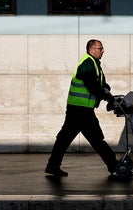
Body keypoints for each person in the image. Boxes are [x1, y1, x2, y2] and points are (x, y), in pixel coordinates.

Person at [46, 39, 119, 177]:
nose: (103, 51)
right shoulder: (87, 64)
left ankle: (52, 165)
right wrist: (107, 96)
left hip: (80, 109)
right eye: (100, 48)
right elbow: (93, 86)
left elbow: (101, 83)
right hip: (80, 110)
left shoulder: (93, 63)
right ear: (92, 50)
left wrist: (107, 90)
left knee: (66, 138)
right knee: (96, 139)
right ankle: (113, 165)